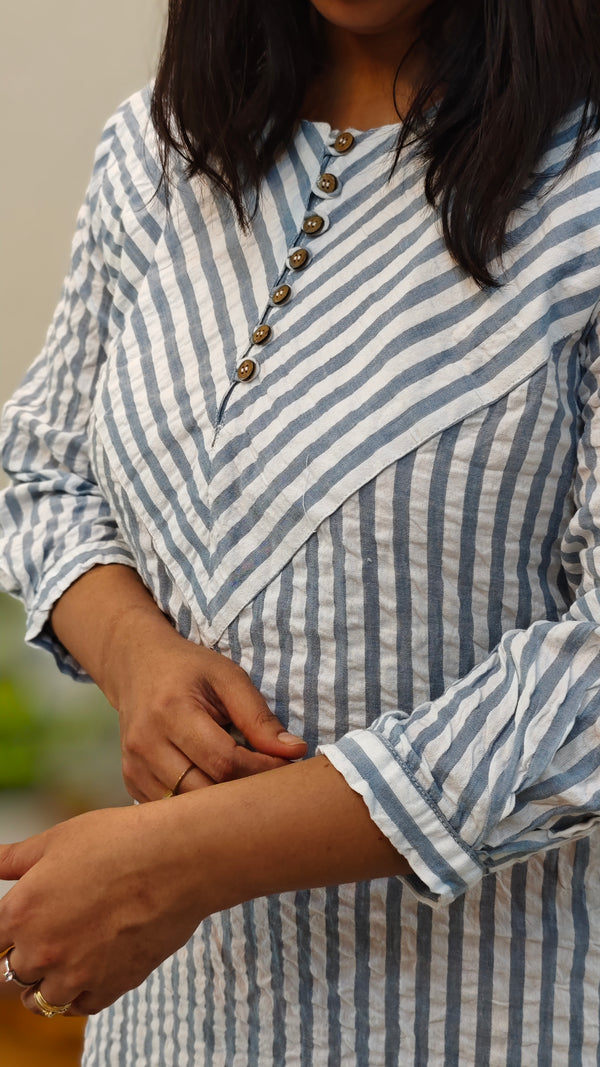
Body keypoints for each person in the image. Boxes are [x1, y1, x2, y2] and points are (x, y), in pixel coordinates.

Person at [1, 0, 600, 1062]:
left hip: (499, 1014)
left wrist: (183, 858)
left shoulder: (580, 184)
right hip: (171, 1021)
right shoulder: (156, 155)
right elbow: (39, 463)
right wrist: (138, 656)